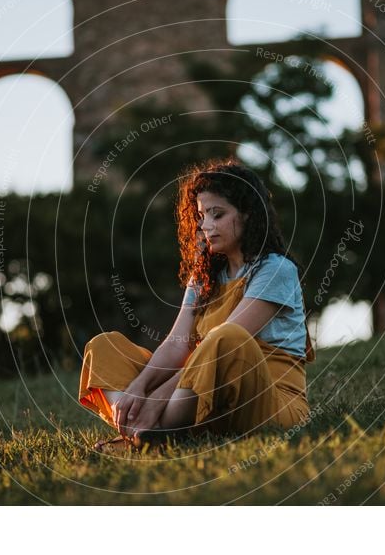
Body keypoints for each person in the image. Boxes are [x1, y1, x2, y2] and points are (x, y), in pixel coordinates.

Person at [78, 159, 315, 451]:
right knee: (105, 346)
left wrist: (160, 397)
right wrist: (140, 389)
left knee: (225, 339)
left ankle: (149, 433)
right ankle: (148, 432)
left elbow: (226, 345)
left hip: (267, 402)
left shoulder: (275, 270)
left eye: (218, 214)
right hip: (201, 394)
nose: (206, 226)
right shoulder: (203, 277)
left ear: (249, 215)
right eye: (202, 216)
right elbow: (176, 346)